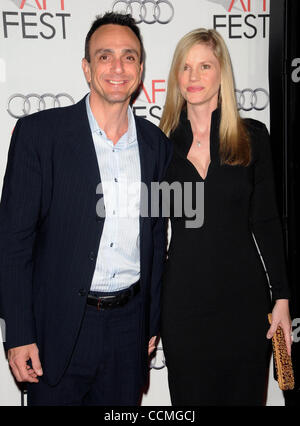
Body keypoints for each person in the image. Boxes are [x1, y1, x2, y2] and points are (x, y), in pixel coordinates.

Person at [0, 12, 172, 406]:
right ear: (86, 67)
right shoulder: (40, 135)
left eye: (129, 57)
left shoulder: (156, 145)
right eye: (105, 56)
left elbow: (155, 238)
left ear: (141, 69)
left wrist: (151, 320)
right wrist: (20, 333)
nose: (117, 67)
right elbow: (13, 243)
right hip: (55, 328)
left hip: (129, 330)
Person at [159, 28, 292, 406]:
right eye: (185, 67)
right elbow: (151, 232)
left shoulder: (251, 137)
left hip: (244, 303)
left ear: (222, 74)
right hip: (182, 304)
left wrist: (281, 296)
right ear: (176, 76)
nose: (194, 76)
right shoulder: (159, 144)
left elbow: (266, 221)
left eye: (205, 66)